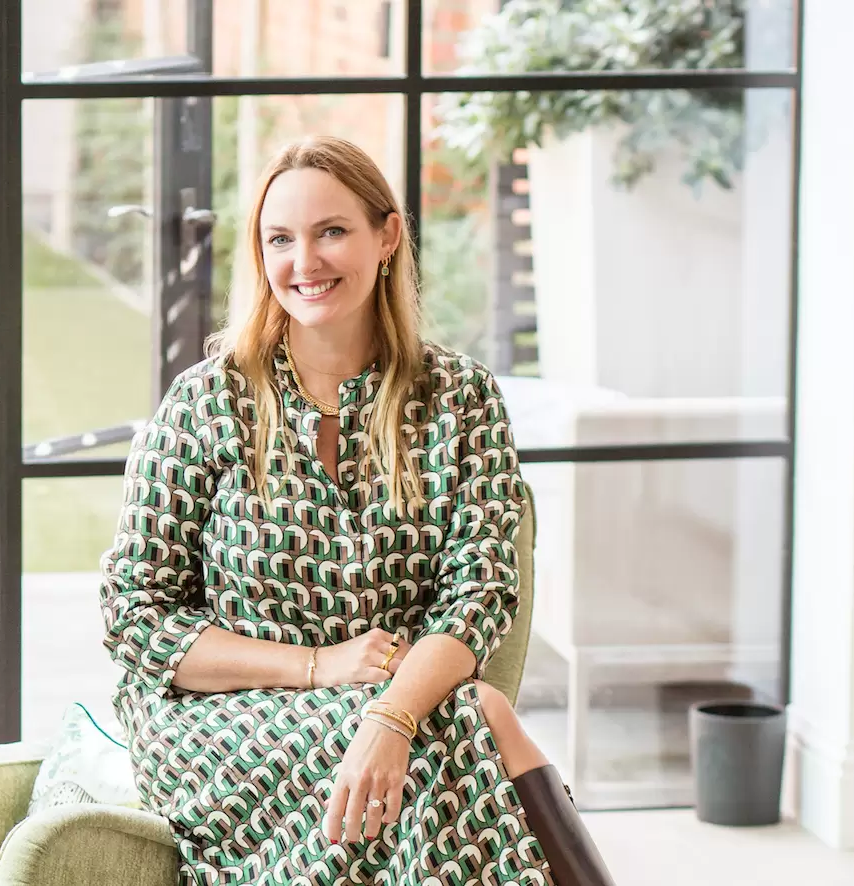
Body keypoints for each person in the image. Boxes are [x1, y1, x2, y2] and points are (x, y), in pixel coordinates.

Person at [98, 135, 617, 885]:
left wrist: (390, 717)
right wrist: (317, 668)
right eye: (281, 239)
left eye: (331, 232)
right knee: (476, 723)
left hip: (400, 704)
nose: (304, 263)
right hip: (220, 722)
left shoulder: (461, 399)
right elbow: (132, 614)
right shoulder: (207, 403)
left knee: (448, 735)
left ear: (387, 236)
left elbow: (480, 595)